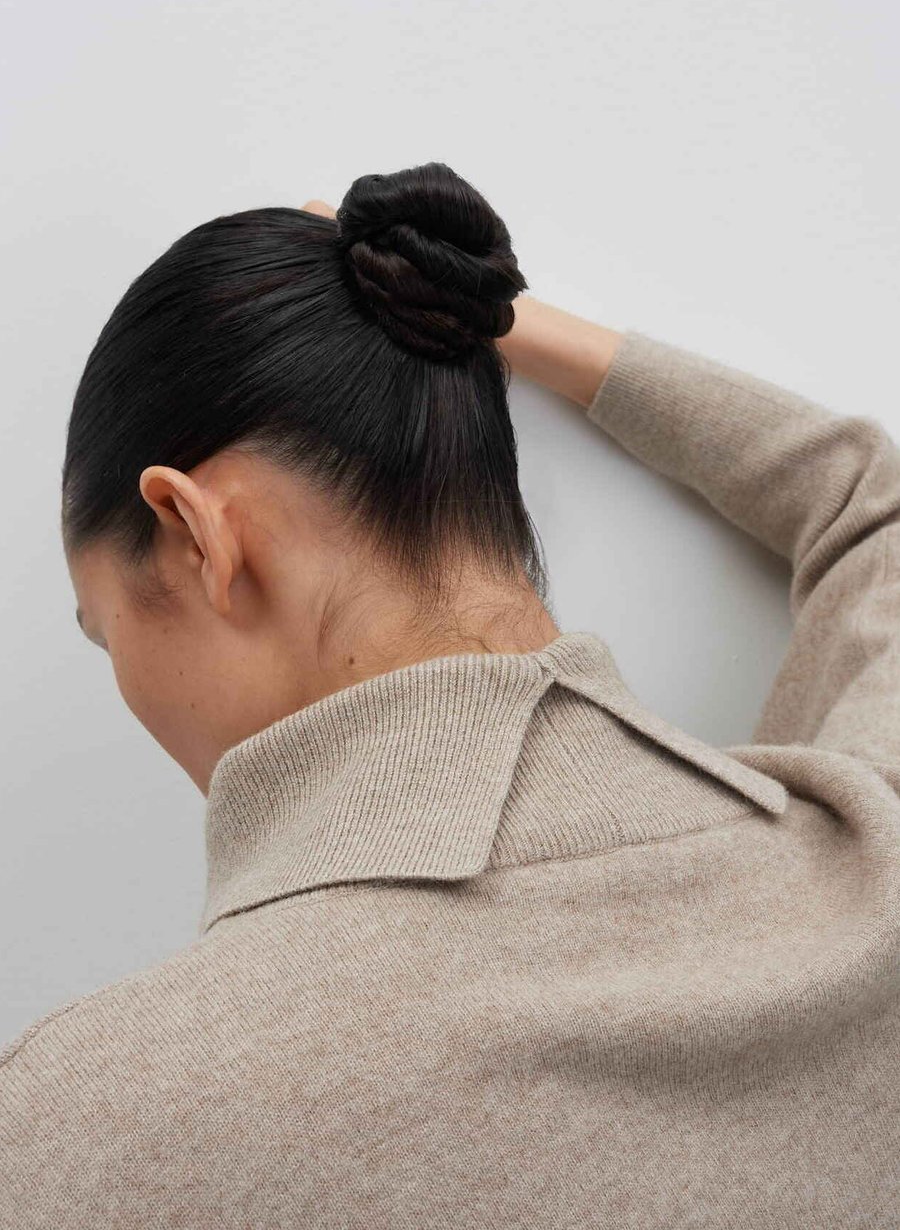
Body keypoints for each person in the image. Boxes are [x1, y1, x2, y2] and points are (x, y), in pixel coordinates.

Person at [1, 162, 898, 1228]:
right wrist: (484, 320)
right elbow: (871, 504)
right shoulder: (865, 864)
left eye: (105, 630)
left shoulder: (87, 1130)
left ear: (198, 534)